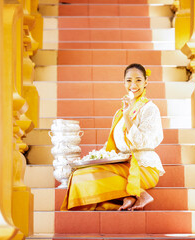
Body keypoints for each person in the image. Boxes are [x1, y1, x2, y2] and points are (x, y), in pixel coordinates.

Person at [61, 63, 165, 211]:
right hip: (121, 163)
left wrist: (128, 116)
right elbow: (113, 145)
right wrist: (94, 158)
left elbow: (141, 142)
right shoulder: (120, 112)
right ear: (124, 83)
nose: (133, 85)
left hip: (143, 166)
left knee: (89, 178)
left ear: (146, 82)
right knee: (79, 175)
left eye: (138, 80)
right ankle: (131, 195)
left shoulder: (150, 109)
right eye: (129, 80)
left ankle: (133, 193)